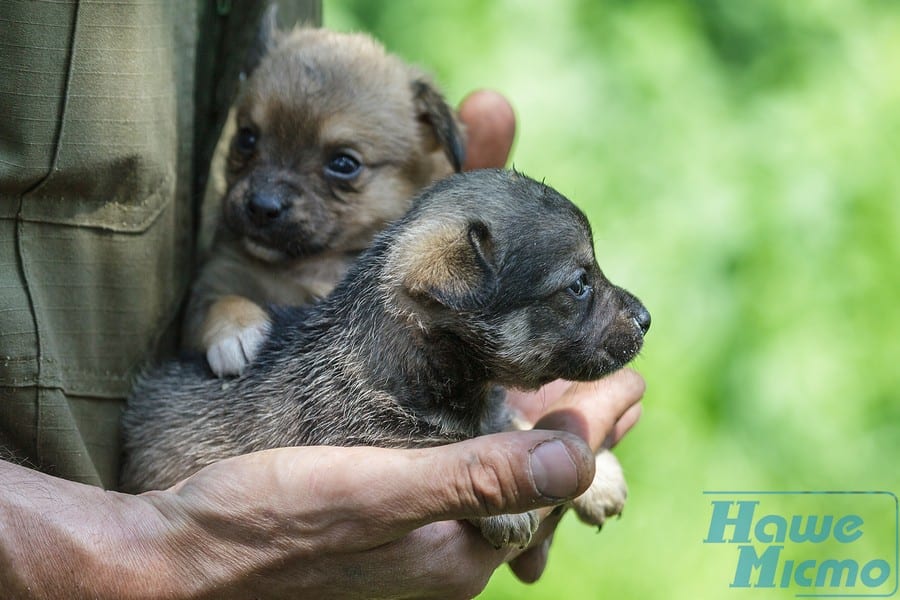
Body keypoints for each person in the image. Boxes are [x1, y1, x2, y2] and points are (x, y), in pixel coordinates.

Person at [0, 2, 645, 597]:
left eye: (341, 166)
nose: (266, 197)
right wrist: (137, 552)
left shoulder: (417, 276)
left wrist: (511, 413)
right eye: (248, 144)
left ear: (434, 156)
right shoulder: (243, 267)